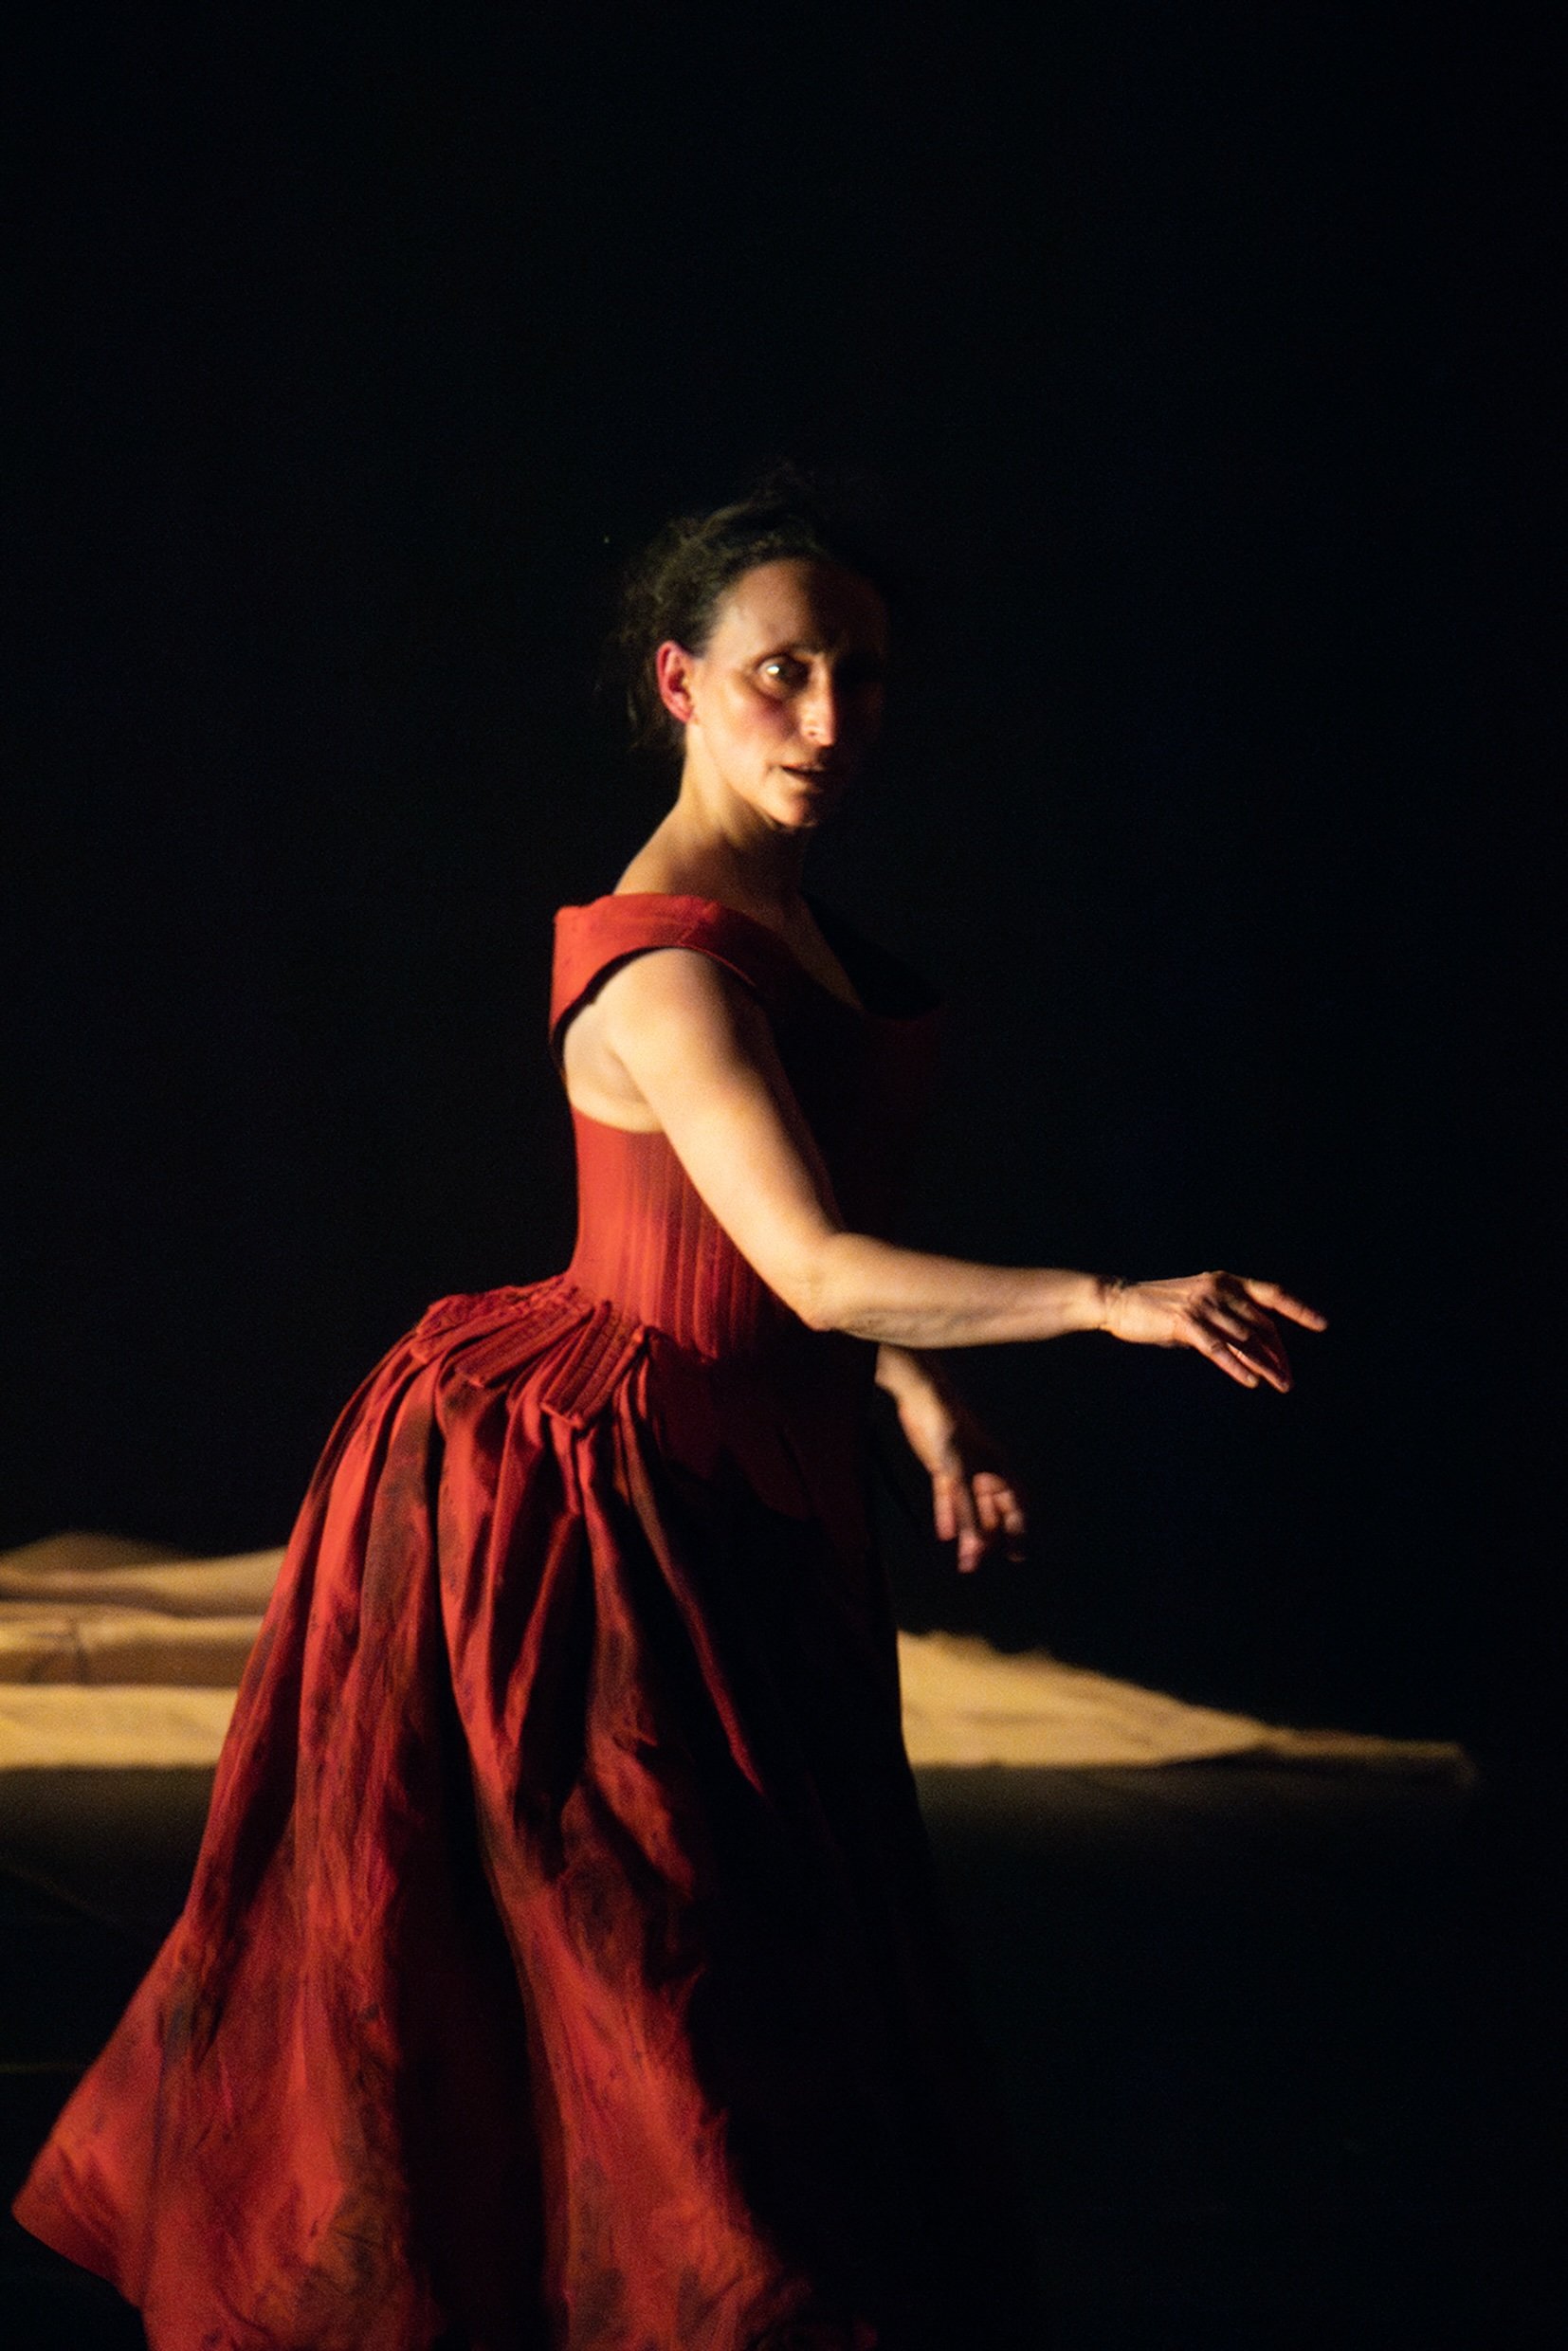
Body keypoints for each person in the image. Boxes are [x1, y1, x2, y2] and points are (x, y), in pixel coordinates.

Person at [13, 477, 1324, 2351]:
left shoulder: (795, 927)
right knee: (640, 1966)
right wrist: (1110, 1304)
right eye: (777, 673)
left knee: (749, 1958)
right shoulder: (664, 964)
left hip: (746, 1486)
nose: (820, 718)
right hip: (581, 1494)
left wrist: (926, 1407)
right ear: (680, 684)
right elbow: (801, 1262)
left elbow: (814, 1260)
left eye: (853, 679)